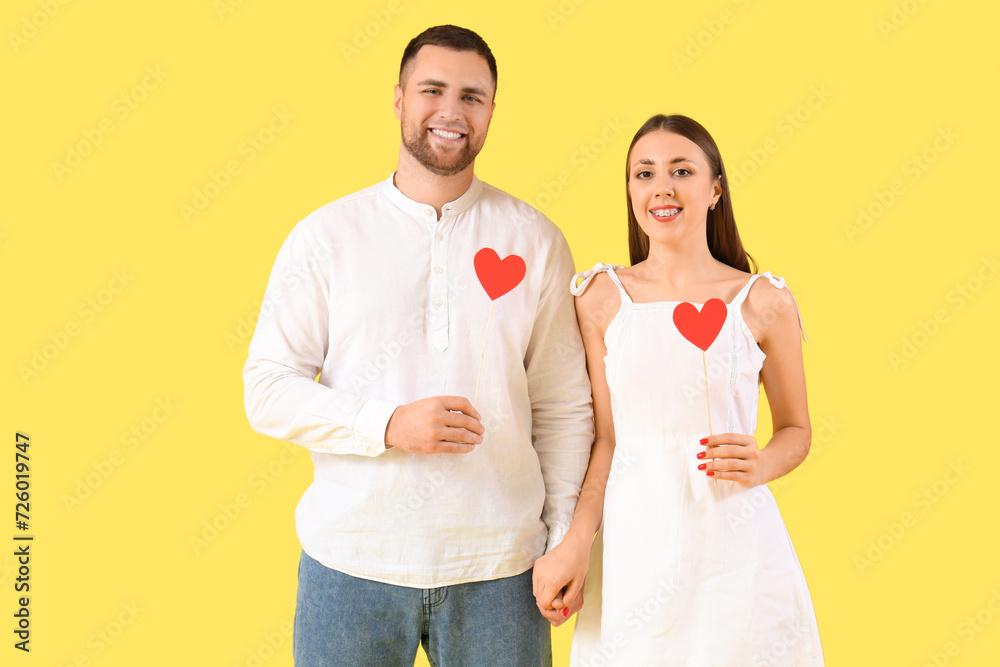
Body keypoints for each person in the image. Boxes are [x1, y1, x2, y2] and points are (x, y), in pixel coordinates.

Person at [243, 25, 594, 666]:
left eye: (473, 96)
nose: (452, 111)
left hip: (502, 569)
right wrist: (389, 424)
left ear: (491, 111)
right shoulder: (326, 236)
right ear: (400, 98)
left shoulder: (536, 240)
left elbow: (564, 406)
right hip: (350, 560)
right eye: (433, 89)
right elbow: (266, 388)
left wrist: (563, 537)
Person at [532, 114, 824, 665]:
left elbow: (797, 431)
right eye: (644, 174)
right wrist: (573, 542)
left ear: (715, 190)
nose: (661, 187)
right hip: (635, 552)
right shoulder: (600, 298)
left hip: (737, 555)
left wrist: (761, 462)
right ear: (631, 192)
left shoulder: (763, 301)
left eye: (681, 170)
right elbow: (607, 441)